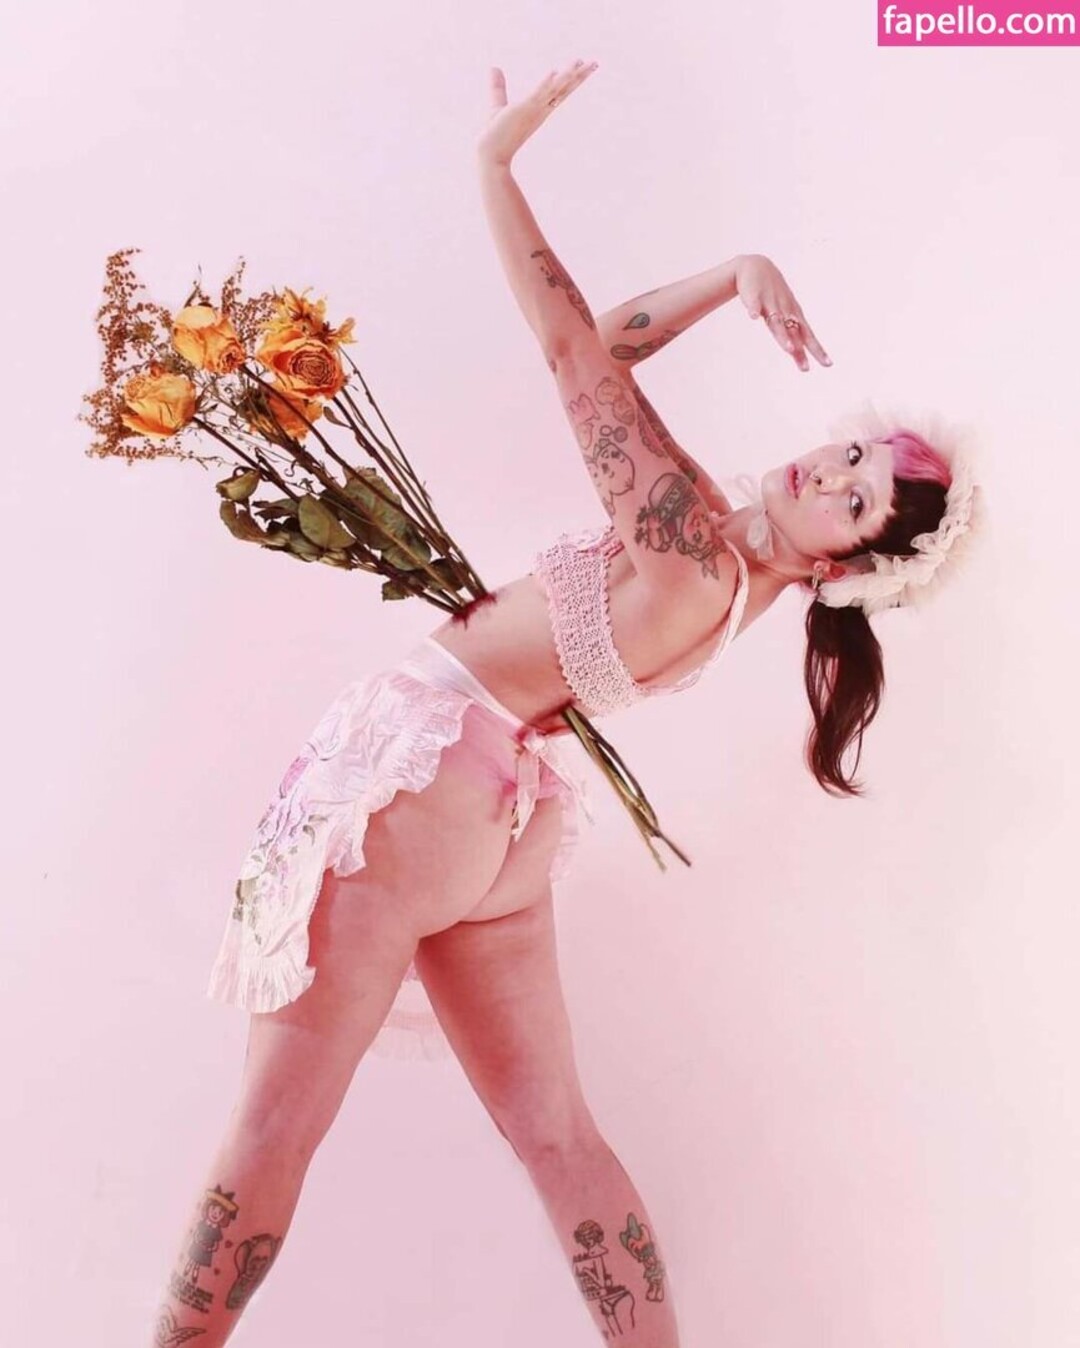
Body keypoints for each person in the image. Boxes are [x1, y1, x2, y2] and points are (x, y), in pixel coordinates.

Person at [151, 60, 982, 1348]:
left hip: (428, 772)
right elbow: (616, 352)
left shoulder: (690, 548)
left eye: (855, 500)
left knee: (273, 1124)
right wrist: (731, 274)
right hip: (508, 821)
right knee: (556, 1137)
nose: (830, 469)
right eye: (854, 452)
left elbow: (569, 346)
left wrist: (494, 167)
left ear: (841, 570)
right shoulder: (719, 563)